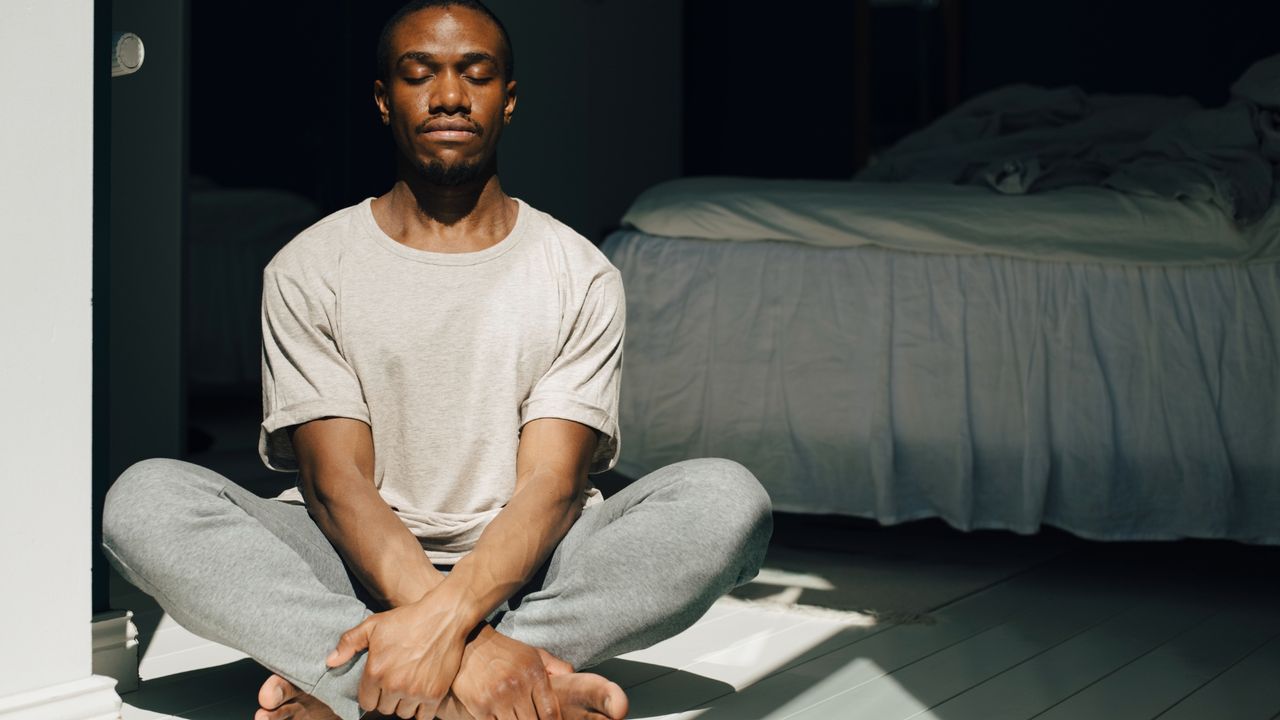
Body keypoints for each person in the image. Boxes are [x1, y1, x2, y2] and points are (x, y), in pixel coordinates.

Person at [101, 1, 772, 719]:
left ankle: (359, 679)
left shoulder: (578, 271)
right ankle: (497, 685)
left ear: (507, 101)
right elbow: (335, 485)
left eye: (476, 75)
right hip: (346, 563)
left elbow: (551, 487)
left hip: (530, 566)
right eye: (419, 74)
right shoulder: (309, 266)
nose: (449, 96)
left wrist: (449, 620)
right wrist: (462, 639)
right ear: (385, 100)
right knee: (145, 501)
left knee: (727, 500)